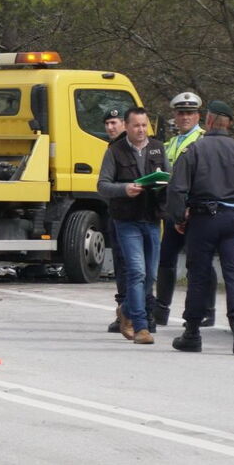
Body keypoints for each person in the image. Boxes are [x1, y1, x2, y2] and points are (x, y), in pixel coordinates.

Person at [167, 101, 234, 355]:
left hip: (203, 220)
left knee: (199, 274)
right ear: (229, 123)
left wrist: (179, 217)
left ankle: (192, 333)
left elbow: (177, 189)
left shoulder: (194, 150)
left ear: (208, 121)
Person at [98, 107, 168, 345]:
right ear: (126, 126)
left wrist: (163, 186)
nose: (141, 130)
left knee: (150, 275)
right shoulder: (115, 151)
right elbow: (102, 185)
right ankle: (141, 327)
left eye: (144, 125)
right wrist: (124, 189)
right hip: (126, 220)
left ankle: (126, 310)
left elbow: (169, 178)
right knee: (137, 272)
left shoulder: (158, 148)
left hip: (152, 218)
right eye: (136, 125)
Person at [154, 92, 218, 326]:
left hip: (195, 211)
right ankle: (161, 310)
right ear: (174, 115)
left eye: (190, 113)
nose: (185, 117)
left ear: (198, 116)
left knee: (199, 261)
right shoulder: (170, 143)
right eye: (181, 113)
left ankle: (207, 310)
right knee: (166, 260)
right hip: (173, 210)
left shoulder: (203, 140)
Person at [100, 108, 129, 333]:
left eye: (114, 123)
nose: (110, 127)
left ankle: (130, 313)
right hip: (117, 211)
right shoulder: (113, 147)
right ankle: (124, 311)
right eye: (107, 123)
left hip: (129, 214)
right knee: (122, 264)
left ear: (124, 124)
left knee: (129, 265)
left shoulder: (125, 148)